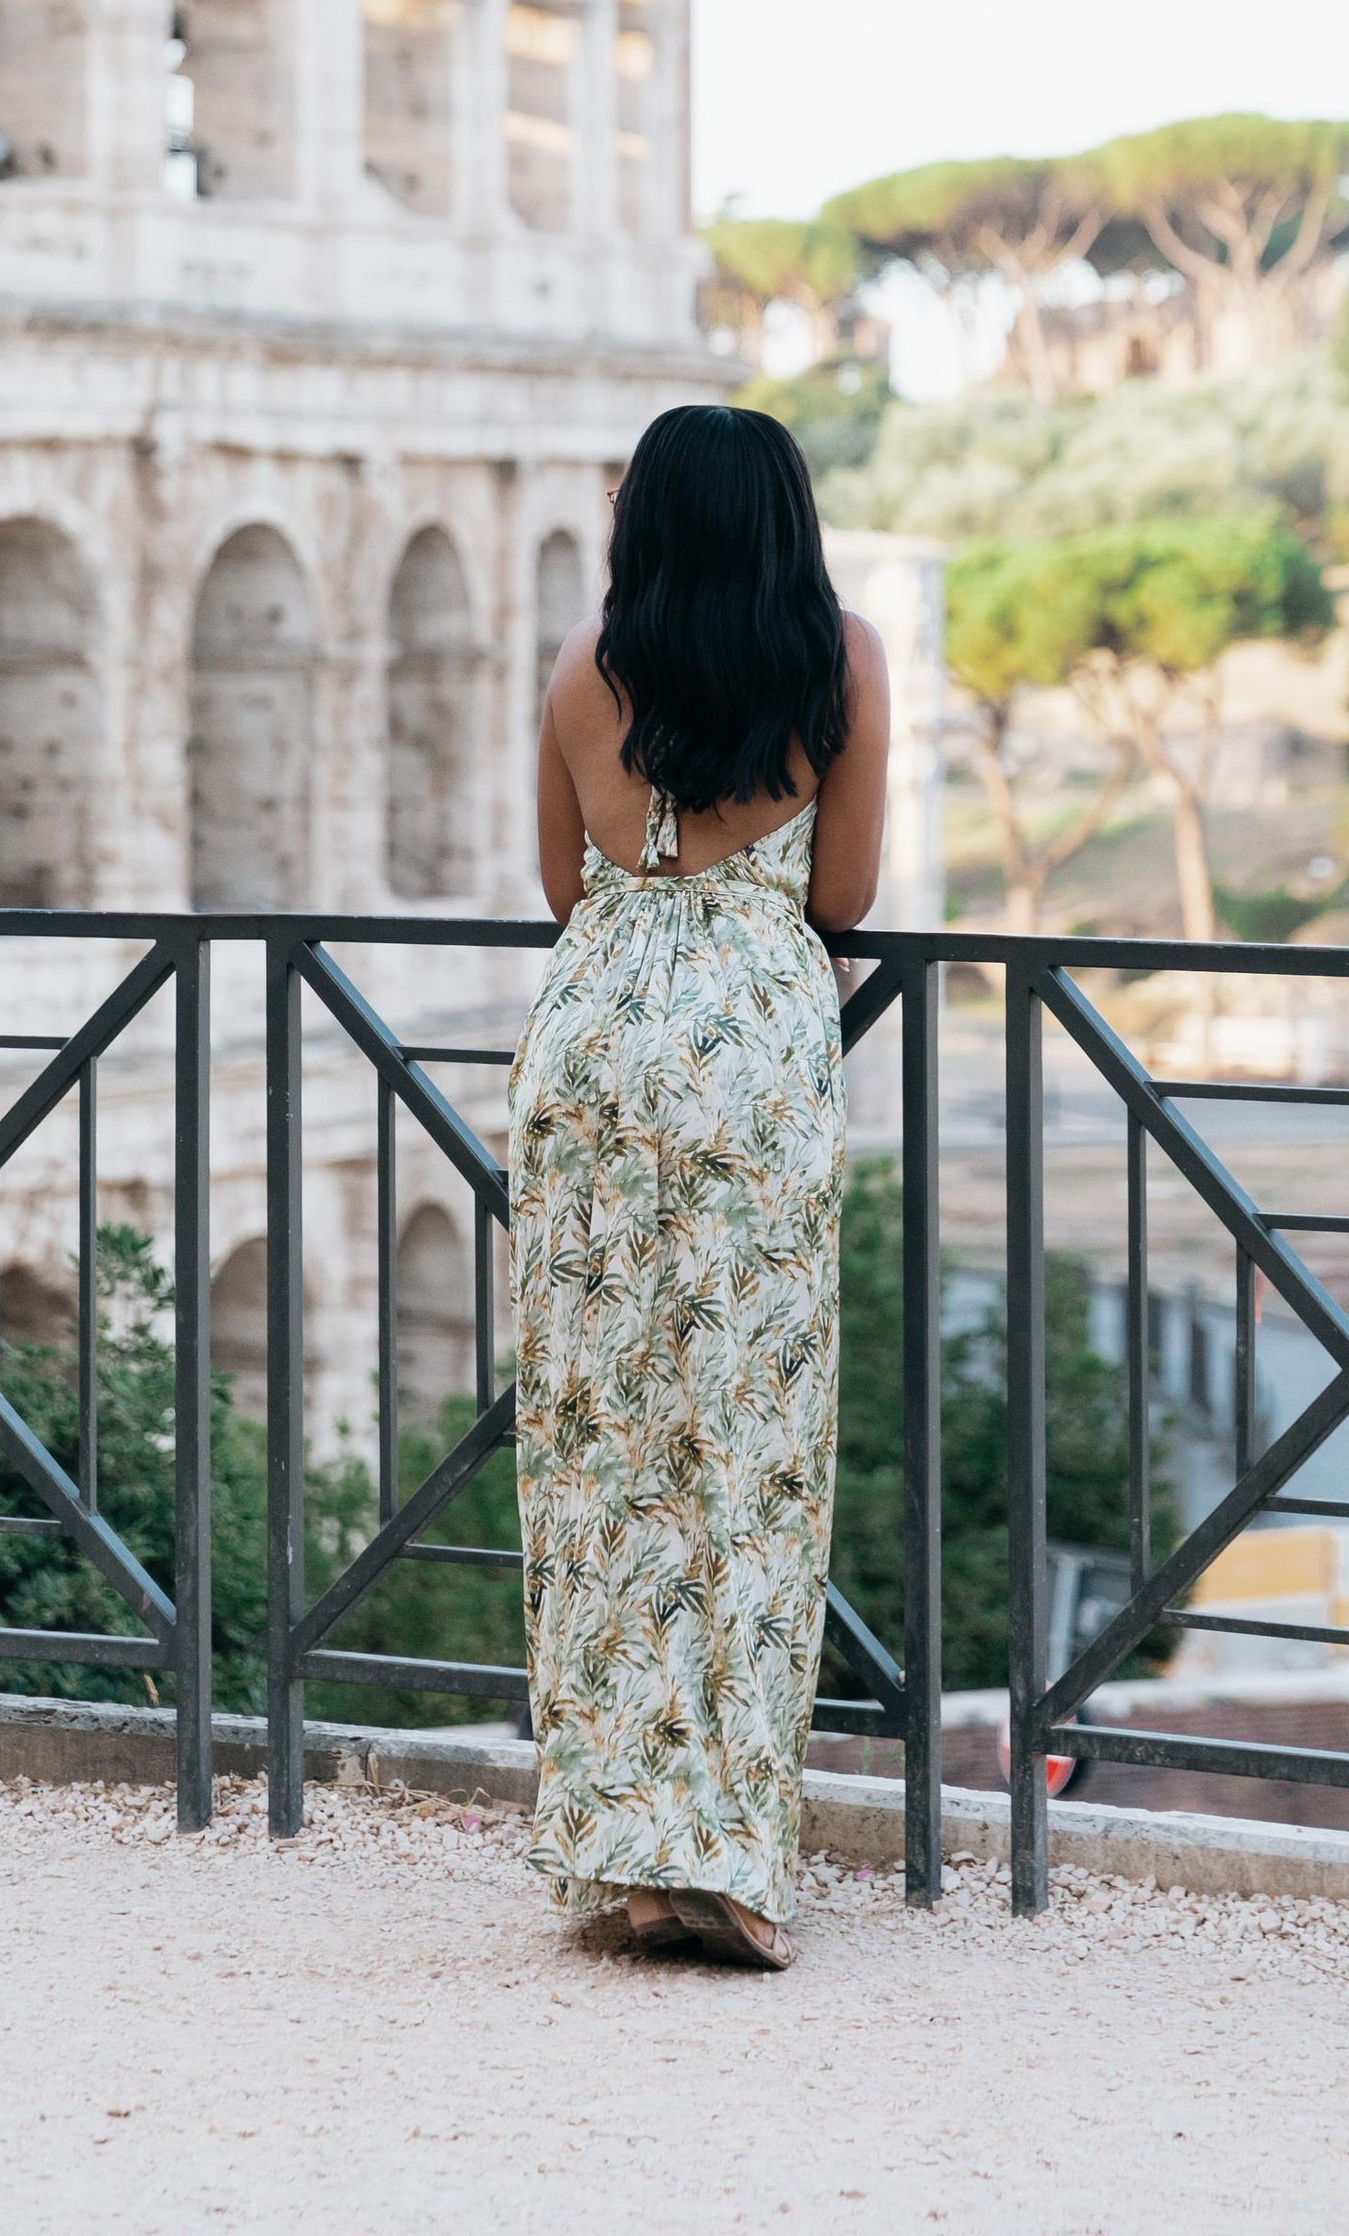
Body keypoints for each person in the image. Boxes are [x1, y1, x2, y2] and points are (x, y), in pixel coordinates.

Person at [509, 401, 889, 1971]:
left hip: (594, 1058)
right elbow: (846, 894)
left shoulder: (583, 669)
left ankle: (620, 1853)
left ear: (646, 519)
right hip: (751, 1072)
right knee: (748, 1459)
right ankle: (729, 1861)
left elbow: (564, 886)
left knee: (599, 1457)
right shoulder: (840, 659)